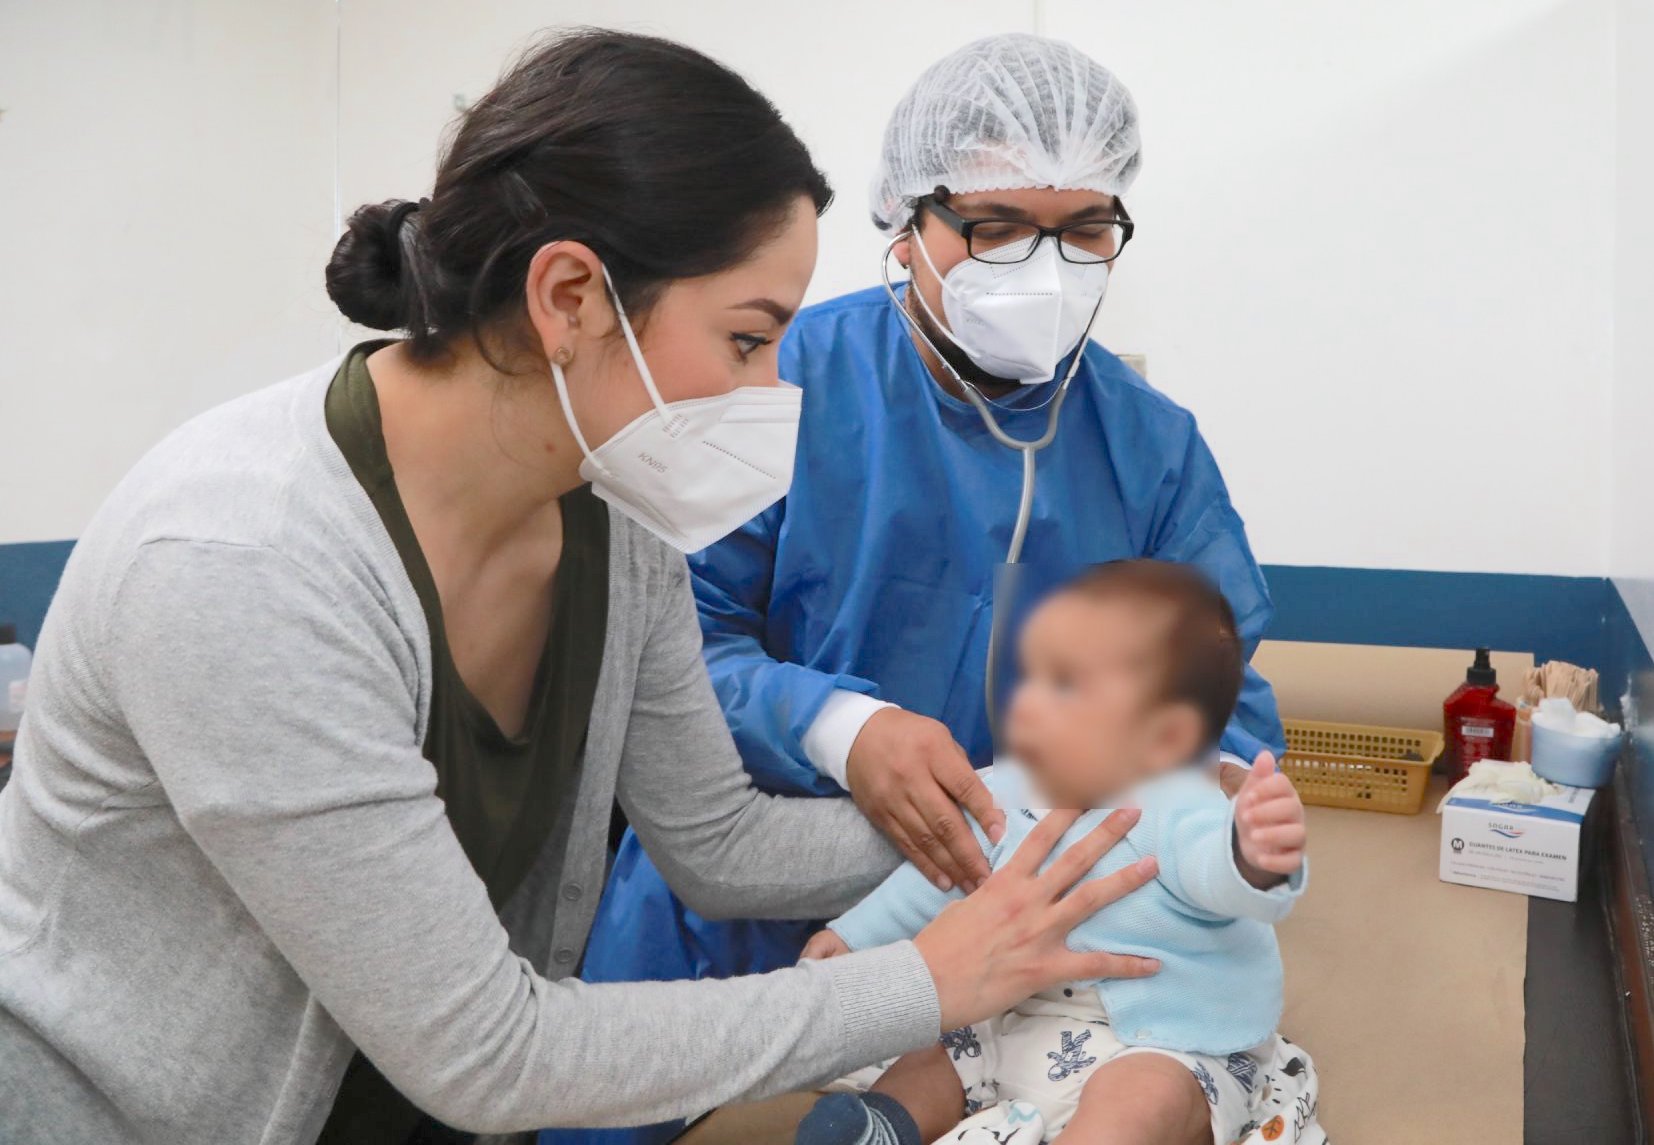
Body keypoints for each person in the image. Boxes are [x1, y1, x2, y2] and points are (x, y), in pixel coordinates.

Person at [0, 31, 1164, 1145]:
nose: (774, 393)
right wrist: (930, 978)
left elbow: (718, 841)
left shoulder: (613, 518)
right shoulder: (244, 566)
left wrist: (1025, 824)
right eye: (747, 340)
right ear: (569, 297)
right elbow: (486, 1048)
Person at [574, 35, 1287, 1142]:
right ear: (906, 223)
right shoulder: (775, 381)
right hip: (752, 888)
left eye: (1085, 228)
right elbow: (668, 646)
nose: (1045, 267)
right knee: (609, 1111)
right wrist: (840, 728)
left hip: (1032, 911)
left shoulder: (1149, 449)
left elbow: (1216, 704)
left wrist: (1213, 827)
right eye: (994, 227)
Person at [792, 561, 1313, 1145]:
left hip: (1160, 1038)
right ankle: (885, 1124)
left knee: (1145, 1102)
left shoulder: (1179, 805)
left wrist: (1254, 852)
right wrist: (854, 937)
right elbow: (937, 879)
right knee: (933, 1056)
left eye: (1063, 684)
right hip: (1013, 1014)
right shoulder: (1006, 790)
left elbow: (1217, 873)